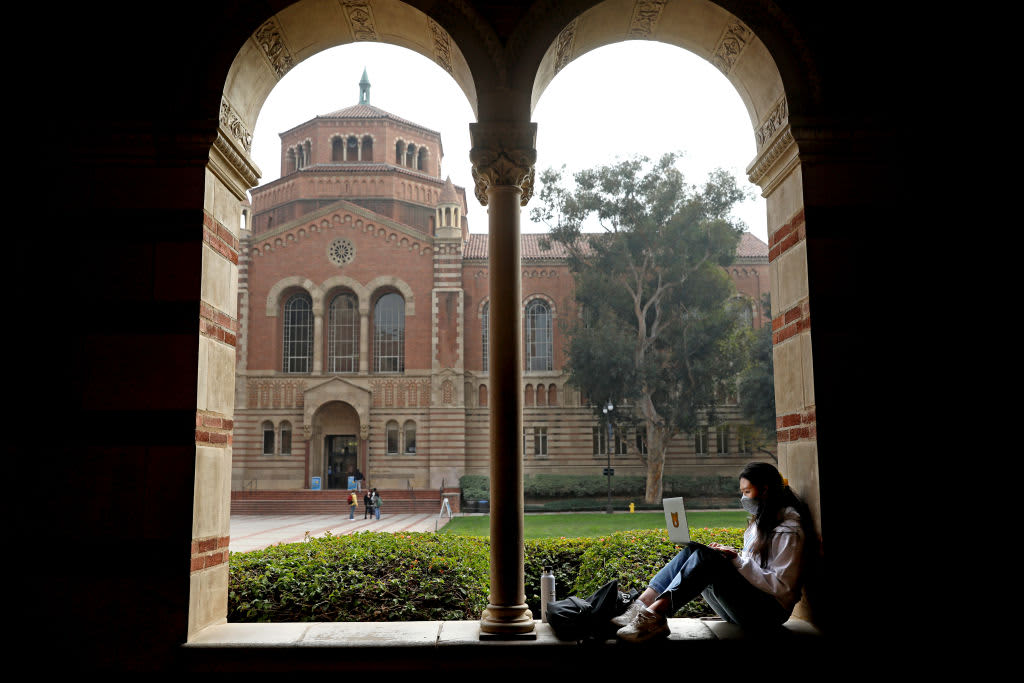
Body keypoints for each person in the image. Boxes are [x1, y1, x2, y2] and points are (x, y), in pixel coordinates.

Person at [614, 462, 815, 642]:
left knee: (707, 558)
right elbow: (755, 567)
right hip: (747, 607)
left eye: (747, 492)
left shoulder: (789, 530)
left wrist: (737, 561)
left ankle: (654, 617)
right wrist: (733, 556)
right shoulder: (761, 522)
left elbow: (782, 588)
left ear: (764, 490)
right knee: (696, 550)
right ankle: (640, 607)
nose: (743, 498)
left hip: (768, 614)